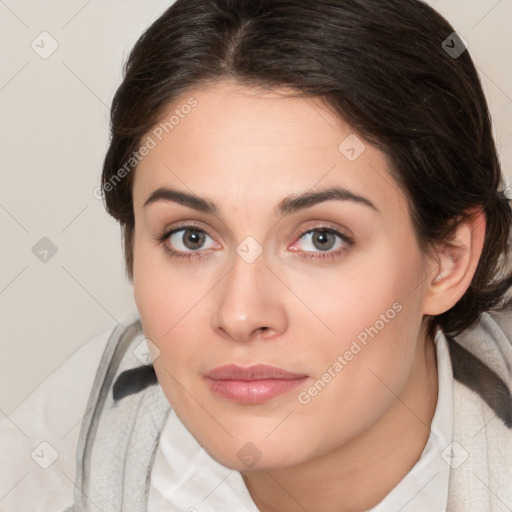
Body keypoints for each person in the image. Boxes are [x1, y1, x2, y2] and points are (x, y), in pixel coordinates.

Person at [2, 0, 512, 510]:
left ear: (447, 258)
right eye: (191, 237)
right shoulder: (62, 445)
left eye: (320, 239)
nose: (241, 314)